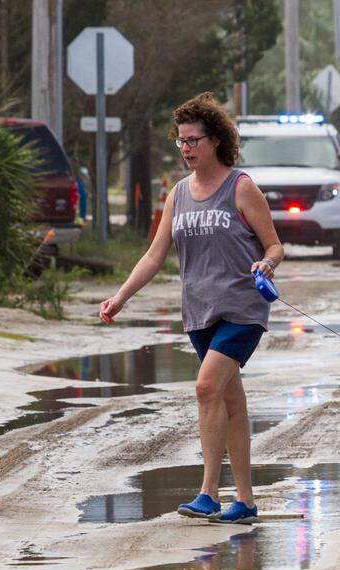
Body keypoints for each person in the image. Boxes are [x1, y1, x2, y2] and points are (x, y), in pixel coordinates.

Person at [100, 92, 284, 524]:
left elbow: (274, 244)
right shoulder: (180, 193)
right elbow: (153, 255)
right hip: (199, 313)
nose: (185, 148)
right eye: (180, 141)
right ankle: (246, 501)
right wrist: (121, 297)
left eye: (193, 140)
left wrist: (267, 262)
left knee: (205, 388)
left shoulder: (241, 187)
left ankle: (207, 493)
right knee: (230, 402)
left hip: (241, 309)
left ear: (215, 140)